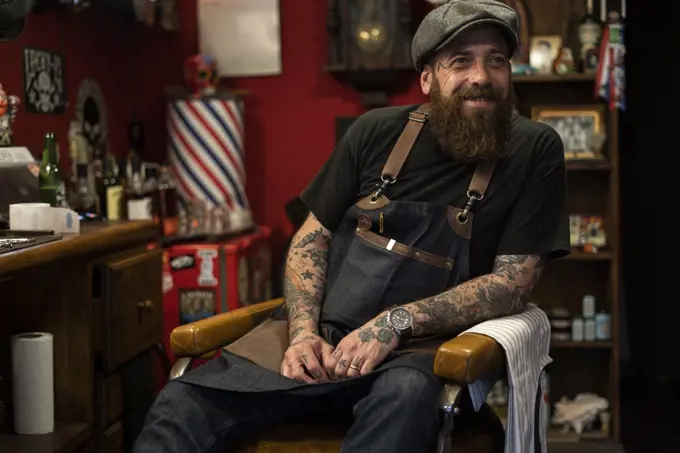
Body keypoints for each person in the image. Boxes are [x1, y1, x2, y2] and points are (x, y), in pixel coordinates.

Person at [132, 1, 569, 452]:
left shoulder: (534, 149)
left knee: (404, 398)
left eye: (496, 61)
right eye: (460, 61)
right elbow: (311, 237)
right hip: (320, 338)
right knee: (181, 400)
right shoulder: (374, 131)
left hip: (420, 351)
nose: (481, 76)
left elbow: (513, 282)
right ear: (427, 80)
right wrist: (302, 332)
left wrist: (397, 322)